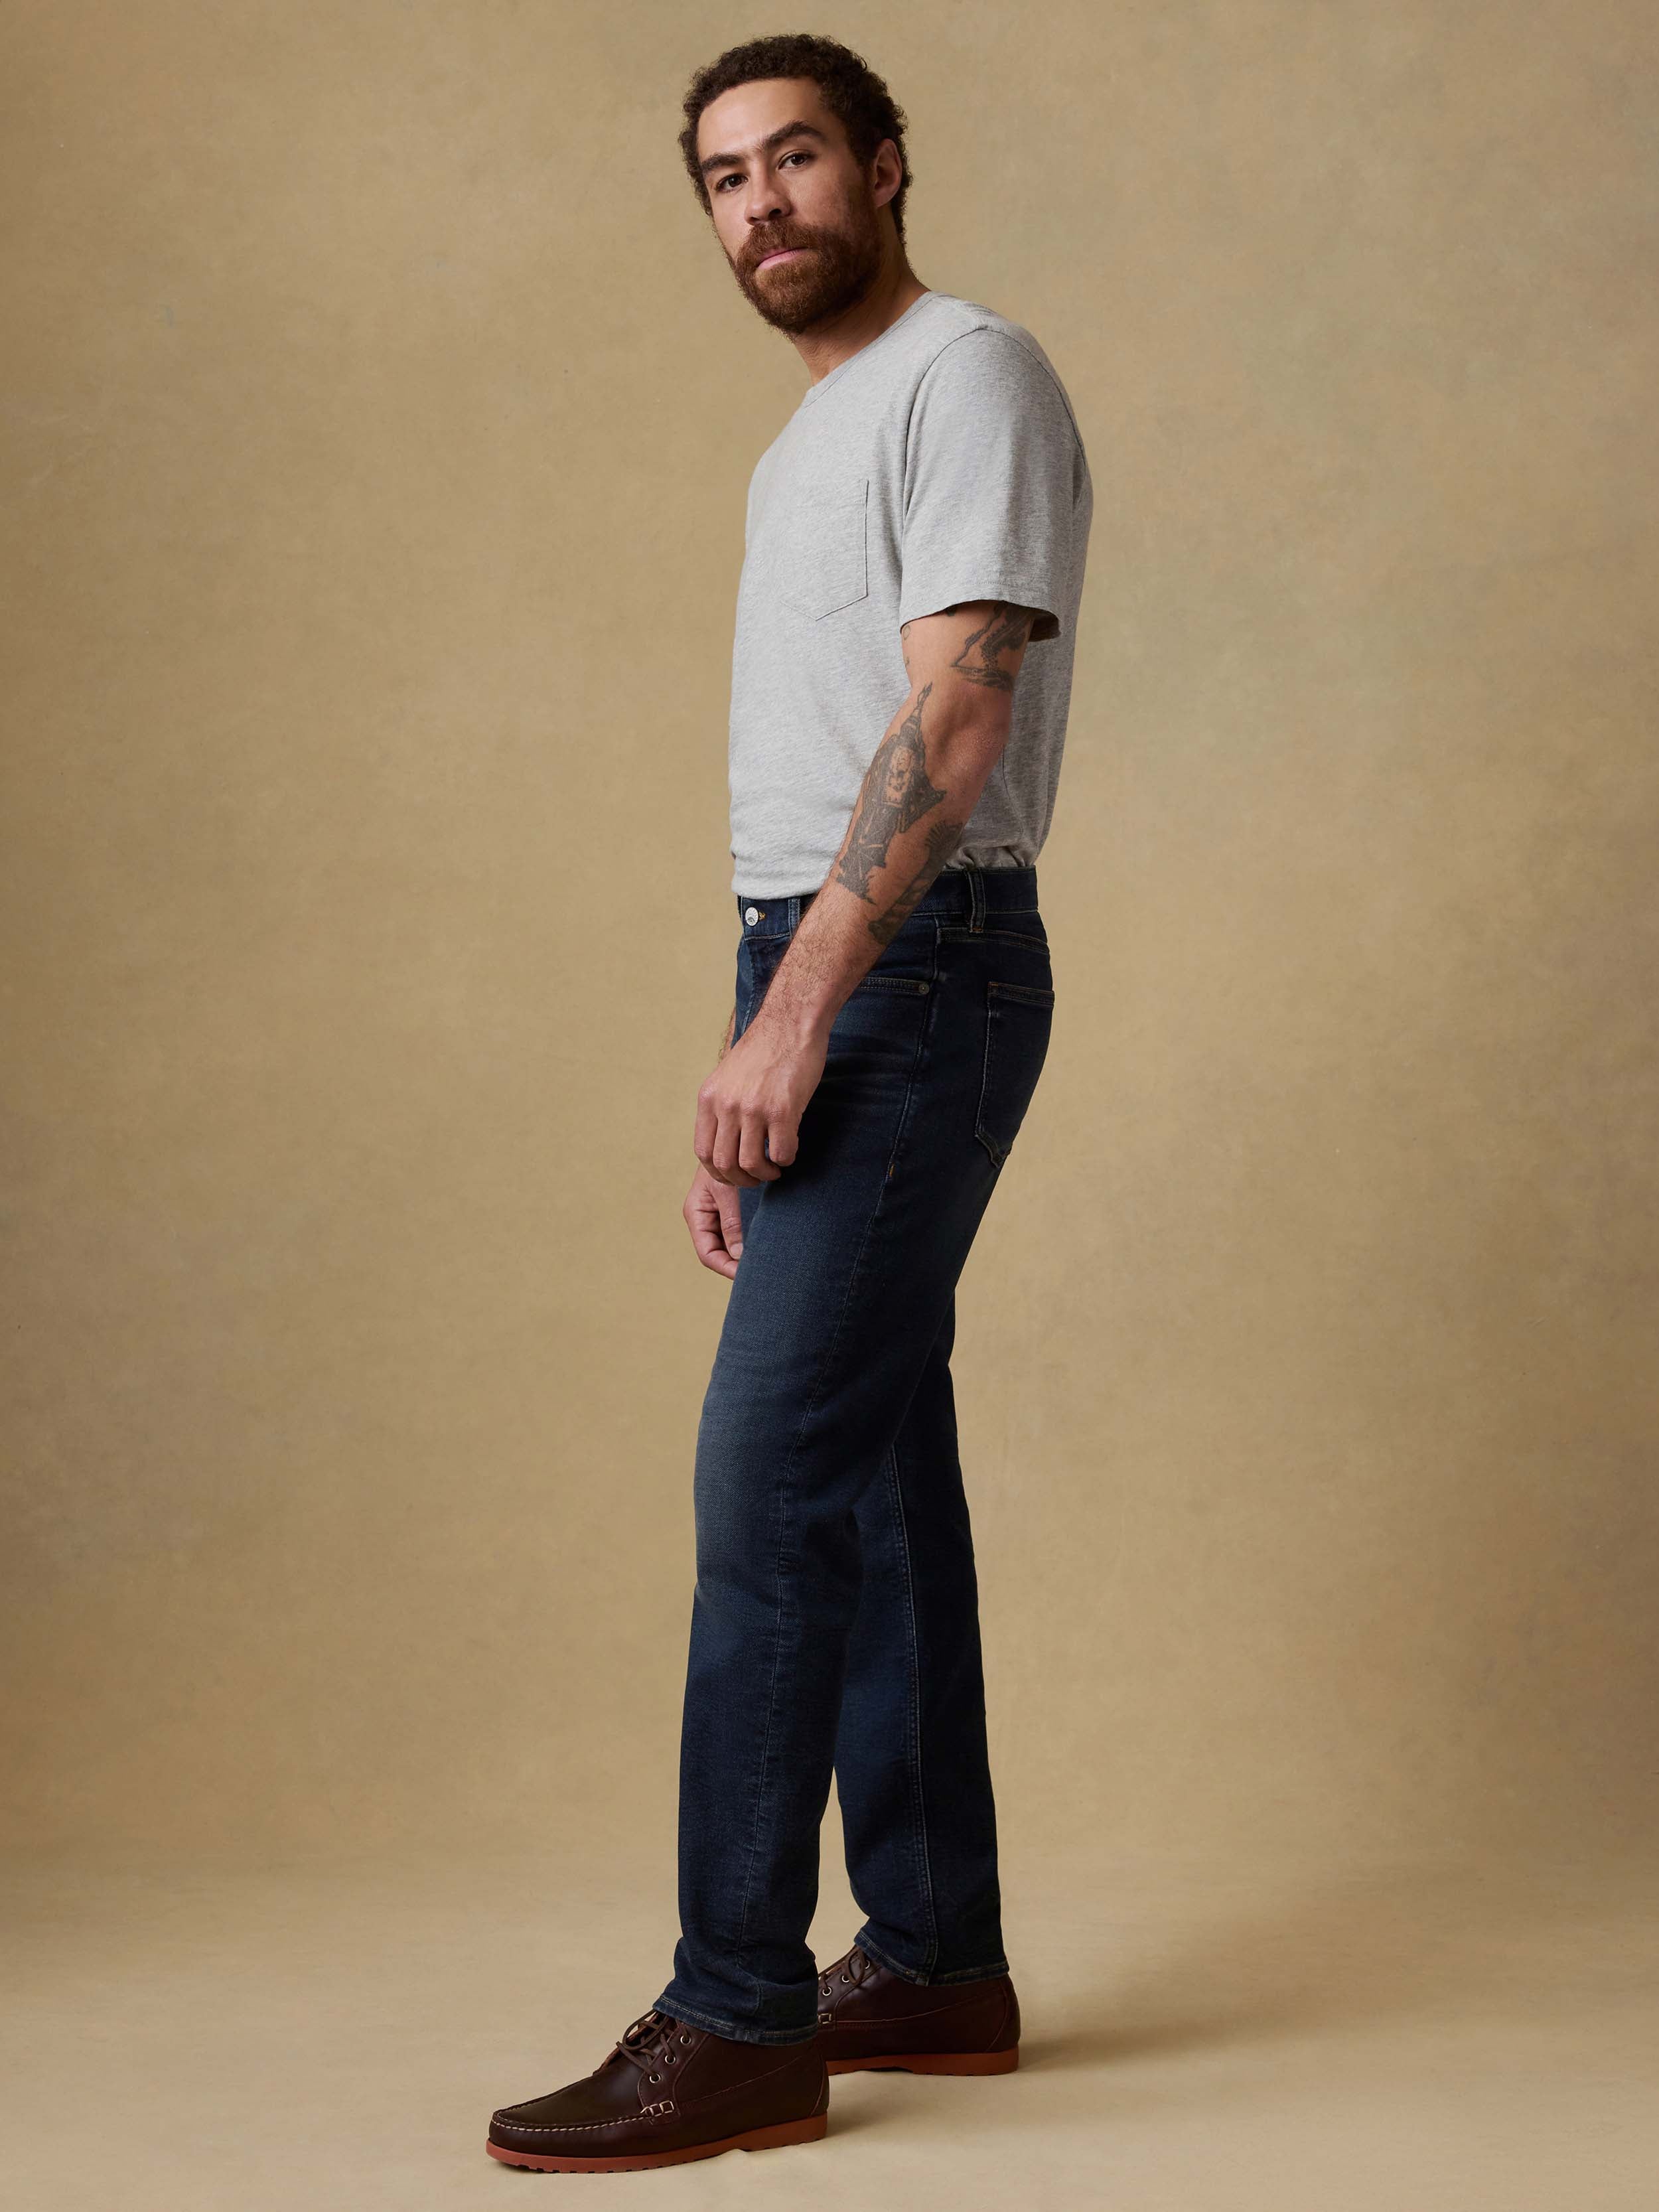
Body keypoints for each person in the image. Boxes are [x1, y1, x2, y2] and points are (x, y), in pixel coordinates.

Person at [487, 31, 1092, 2174]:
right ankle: (930, 1958)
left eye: (796, 160)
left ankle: (739, 2011)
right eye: (724, 179)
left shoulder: (966, 374)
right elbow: (813, 784)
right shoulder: (818, 433)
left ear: (886, 167)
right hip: (828, 977)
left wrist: (800, 1017)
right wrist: (753, 1036)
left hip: (908, 979)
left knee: (765, 1499)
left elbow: (955, 711)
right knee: (867, 1479)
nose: (759, 207)